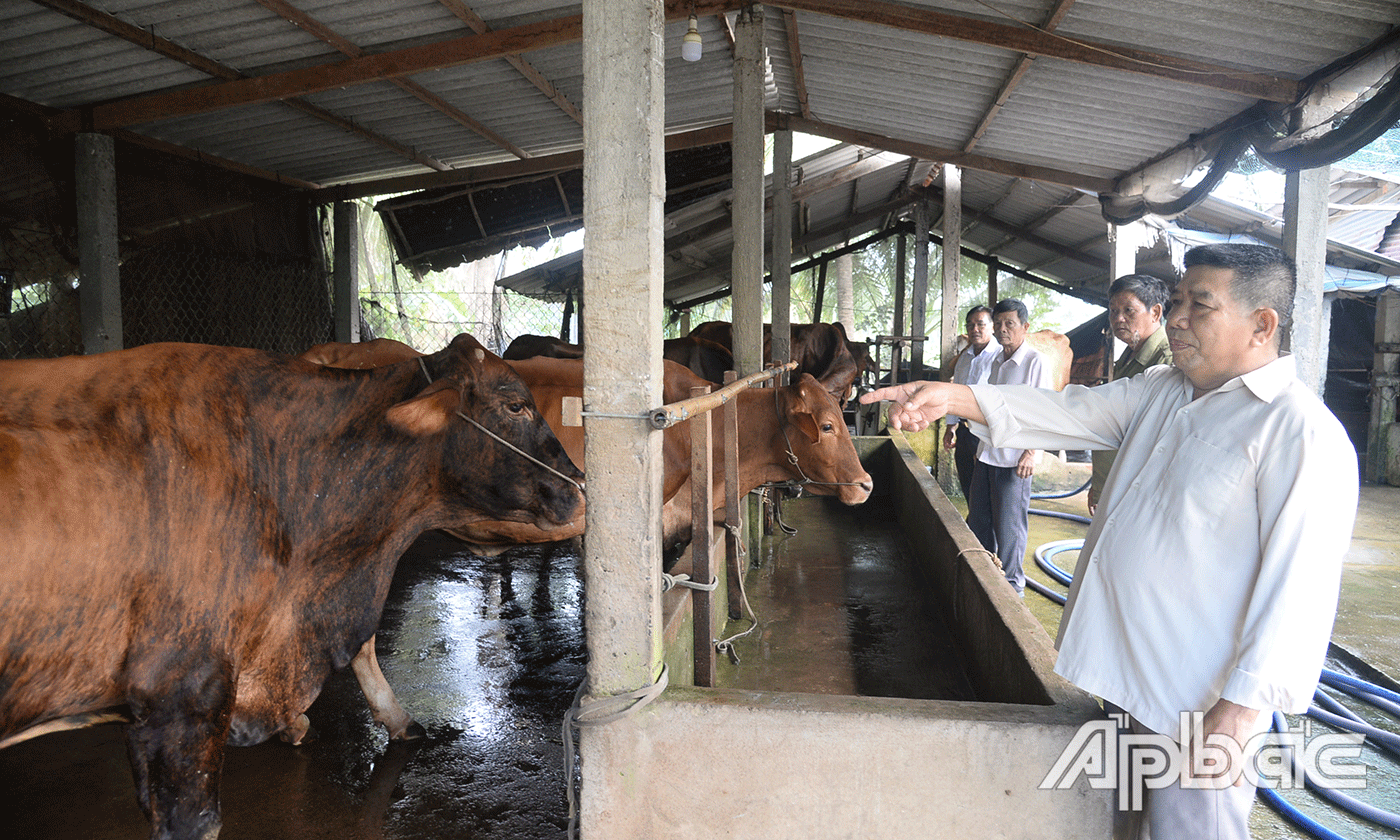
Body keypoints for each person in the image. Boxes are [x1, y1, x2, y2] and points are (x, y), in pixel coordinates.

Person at [861, 243, 1359, 840]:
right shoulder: (1163, 390)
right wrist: (953, 397)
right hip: (1127, 673)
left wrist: (1242, 709)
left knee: (1190, 829)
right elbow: (1069, 412)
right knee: (1124, 825)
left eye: (1199, 306)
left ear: (1262, 324)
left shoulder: (1298, 431)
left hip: (1197, 700)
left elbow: (1299, 588)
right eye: (1177, 302)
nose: (1176, 318)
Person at [965, 299, 1052, 596]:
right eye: (999, 324)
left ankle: (1013, 587)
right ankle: (986, 576)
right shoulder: (997, 361)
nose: (1003, 330)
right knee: (979, 518)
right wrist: (980, 449)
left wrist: (1031, 453)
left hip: (1016, 460)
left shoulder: (1034, 362)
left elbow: (1044, 411)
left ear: (1025, 327)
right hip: (989, 453)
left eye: (1010, 324)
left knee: (1010, 527)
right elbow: (991, 409)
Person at [1088, 274, 1174, 514]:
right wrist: (1100, 484)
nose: (1118, 319)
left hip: (1136, 492)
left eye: (1129, 310)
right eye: (1113, 311)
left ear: (1156, 313)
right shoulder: (1130, 355)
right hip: (1116, 485)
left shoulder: (1166, 361)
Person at [943, 305, 999, 500]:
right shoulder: (964, 359)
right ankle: (973, 524)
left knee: (984, 486)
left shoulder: (999, 356)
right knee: (967, 482)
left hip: (986, 431)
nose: (974, 329)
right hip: (965, 431)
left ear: (993, 326)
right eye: (970, 325)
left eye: (980, 324)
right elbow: (955, 392)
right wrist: (951, 426)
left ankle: (982, 526)